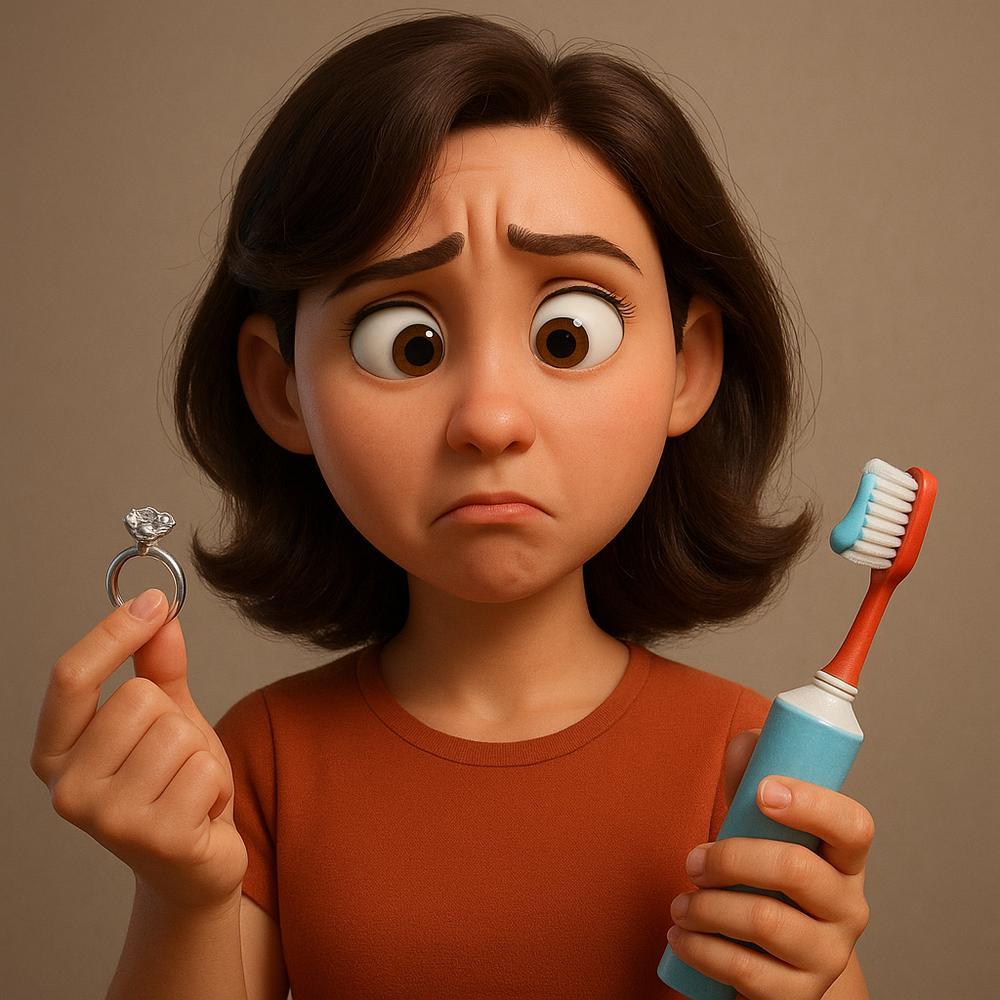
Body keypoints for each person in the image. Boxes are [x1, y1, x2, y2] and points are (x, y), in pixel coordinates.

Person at [30, 12, 873, 999]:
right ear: (280, 388)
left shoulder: (747, 762)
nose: (489, 419)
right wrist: (184, 894)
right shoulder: (261, 760)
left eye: (566, 336)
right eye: (408, 344)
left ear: (687, 368)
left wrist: (816, 976)